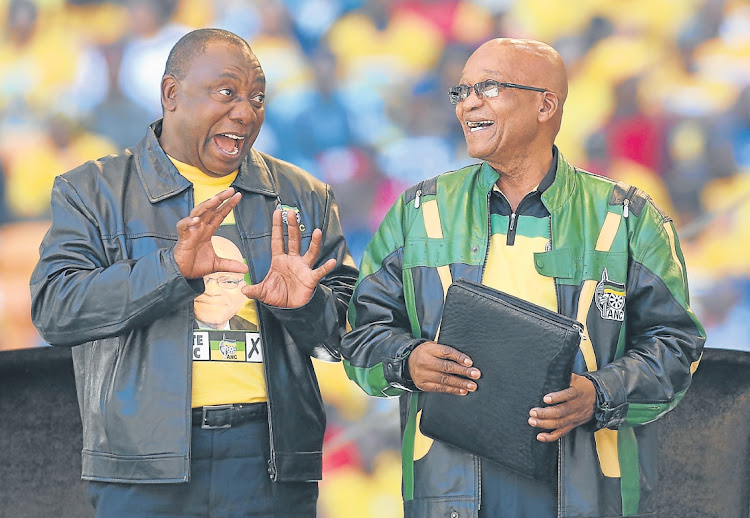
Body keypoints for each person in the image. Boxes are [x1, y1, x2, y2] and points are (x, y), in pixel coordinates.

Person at [341, 38, 706, 518]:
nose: (469, 101)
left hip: (588, 491)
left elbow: (676, 347)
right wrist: (406, 361)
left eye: (488, 87)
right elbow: (361, 335)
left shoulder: (629, 217)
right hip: (449, 490)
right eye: (462, 90)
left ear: (545, 104)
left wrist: (599, 393)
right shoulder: (417, 211)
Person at [30, 28, 357, 517]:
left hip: (269, 464)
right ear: (171, 95)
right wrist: (172, 271)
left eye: (257, 98)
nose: (246, 112)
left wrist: (306, 307)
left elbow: (347, 334)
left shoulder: (304, 195)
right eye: (227, 93)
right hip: (144, 465)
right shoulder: (92, 190)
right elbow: (56, 310)